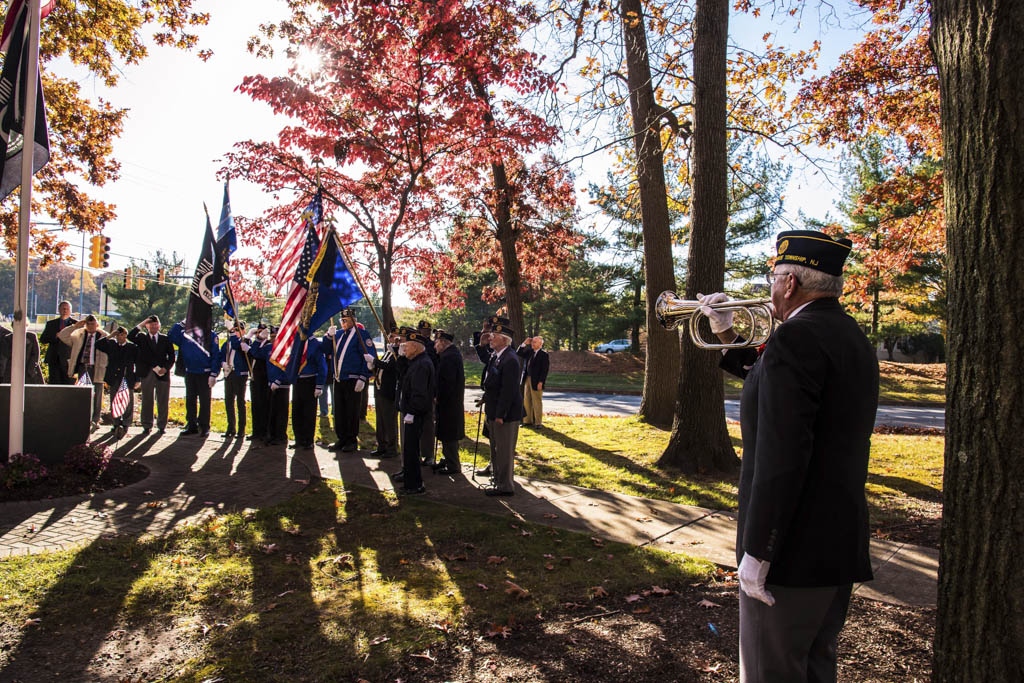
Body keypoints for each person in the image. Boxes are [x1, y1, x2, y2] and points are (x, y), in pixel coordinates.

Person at [702, 230, 879, 683]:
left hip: (790, 554)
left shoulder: (795, 340)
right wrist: (726, 331)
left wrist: (760, 551)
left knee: (769, 672)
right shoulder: (847, 334)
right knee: (817, 666)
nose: (769, 287)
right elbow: (772, 379)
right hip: (835, 544)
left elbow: (783, 457)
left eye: (772, 277)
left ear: (791, 284)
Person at [322, 309, 377, 452]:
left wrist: (363, 377)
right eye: (342, 320)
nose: (343, 323)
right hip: (339, 379)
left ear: (353, 320)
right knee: (339, 411)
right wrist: (328, 336)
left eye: (346, 320)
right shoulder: (338, 335)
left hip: (353, 379)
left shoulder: (361, 335)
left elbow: (368, 357)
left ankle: (352, 440)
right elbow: (325, 350)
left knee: (352, 411)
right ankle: (341, 438)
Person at [481, 320, 523, 496]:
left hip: (504, 414)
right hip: (493, 409)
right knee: (496, 448)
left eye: (494, 336)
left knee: (504, 451)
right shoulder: (497, 355)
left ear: (505, 340)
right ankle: (498, 481)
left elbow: (509, 391)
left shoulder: (510, 359)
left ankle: (505, 486)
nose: (491, 338)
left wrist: (500, 414)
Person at [392, 327, 435, 495]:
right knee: (410, 450)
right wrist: (402, 357)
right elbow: (402, 376)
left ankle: (415, 485)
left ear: (416, 347)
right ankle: (411, 482)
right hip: (412, 412)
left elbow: (419, 393)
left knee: (411, 451)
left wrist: (412, 412)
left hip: (415, 414)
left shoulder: (422, 364)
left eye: (407, 346)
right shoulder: (416, 361)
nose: (405, 349)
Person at [168, 321, 221, 437]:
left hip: (205, 373)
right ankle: (191, 425)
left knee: (205, 401)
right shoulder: (187, 334)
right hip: (190, 372)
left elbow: (216, 355)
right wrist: (182, 323)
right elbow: (171, 336)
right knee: (190, 400)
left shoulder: (211, 335)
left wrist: (214, 373)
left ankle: (204, 426)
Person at [58, 315, 108, 430]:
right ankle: (85, 419)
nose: (91, 326)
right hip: (82, 367)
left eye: (93, 323)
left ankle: (95, 420)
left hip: (97, 367)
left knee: (98, 394)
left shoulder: (103, 336)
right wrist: (75, 326)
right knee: (84, 393)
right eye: (88, 324)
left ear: (97, 324)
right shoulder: (79, 334)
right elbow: (62, 336)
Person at [128, 315, 175, 434]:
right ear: (147, 326)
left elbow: (172, 356)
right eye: (151, 324)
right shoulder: (142, 338)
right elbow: (130, 336)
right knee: (147, 399)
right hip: (147, 372)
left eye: (156, 324)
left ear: (159, 326)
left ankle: (162, 425)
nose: (154, 327)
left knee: (163, 400)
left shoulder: (165, 339)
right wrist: (142, 323)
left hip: (162, 373)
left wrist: (166, 368)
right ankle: (147, 425)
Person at [245, 328, 290, 445]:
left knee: (281, 412)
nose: (274, 338)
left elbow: (288, 367)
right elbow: (255, 353)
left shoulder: (286, 348)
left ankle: (281, 436)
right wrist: (258, 339)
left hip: (282, 385)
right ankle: (272, 435)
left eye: (276, 336)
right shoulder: (269, 348)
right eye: (272, 336)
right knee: (272, 412)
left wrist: (279, 380)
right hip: (271, 385)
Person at [96, 326, 139, 439]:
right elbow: (98, 345)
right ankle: (116, 423)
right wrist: (110, 336)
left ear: (126, 335)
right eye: (118, 335)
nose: (120, 337)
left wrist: (137, 379)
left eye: (123, 335)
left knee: (127, 402)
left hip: (127, 377)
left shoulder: (132, 347)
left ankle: (126, 424)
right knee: (114, 401)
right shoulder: (111, 345)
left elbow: (137, 364)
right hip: (114, 377)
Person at [432, 328, 465, 474]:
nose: (434, 346)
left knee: (449, 434)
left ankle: (453, 464)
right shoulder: (449, 354)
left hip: (449, 403)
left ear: (443, 343)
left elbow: (447, 383)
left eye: (436, 343)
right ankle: (447, 458)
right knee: (446, 433)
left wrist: (438, 397)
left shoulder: (449, 357)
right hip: (449, 403)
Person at [289, 336, 327, 450]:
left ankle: (308, 440)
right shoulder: (297, 342)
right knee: (296, 411)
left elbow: (322, 365)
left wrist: (319, 385)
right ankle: (298, 439)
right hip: (298, 380)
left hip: (310, 380)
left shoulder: (314, 343)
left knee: (309, 412)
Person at [371, 323, 401, 458]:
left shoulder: (398, 353)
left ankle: (391, 448)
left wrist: (375, 361)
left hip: (389, 392)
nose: (392, 339)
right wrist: (373, 366)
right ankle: (381, 445)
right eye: (390, 336)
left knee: (390, 422)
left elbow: (391, 367)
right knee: (381, 421)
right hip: (380, 389)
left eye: (395, 337)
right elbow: (382, 368)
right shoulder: (389, 351)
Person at [220, 321, 250, 439]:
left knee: (240, 402)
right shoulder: (227, 343)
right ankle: (231, 427)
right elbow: (221, 354)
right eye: (235, 329)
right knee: (228, 401)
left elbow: (237, 346)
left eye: (239, 330)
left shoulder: (245, 341)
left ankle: (241, 430)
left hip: (240, 374)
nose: (236, 332)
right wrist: (223, 363)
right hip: (229, 373)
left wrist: (233, 334)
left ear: (243, 331)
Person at [241, 325, 271, 442]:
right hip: (254, 379)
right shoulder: (255, 343)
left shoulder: (268, 344)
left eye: (261, 332)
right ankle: (256, 431)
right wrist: (248, 337)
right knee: (255, 406)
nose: (259, 334)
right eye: (258, 332)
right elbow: (247, 353)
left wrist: (250, 348)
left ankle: (264, 432)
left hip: (264, 379)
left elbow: (256, 353)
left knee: (264, 406)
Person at [39, 300, 76, 384]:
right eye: (63, 308)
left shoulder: (75, 324)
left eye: (67, 309)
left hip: (68, 359)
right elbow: (43, 339)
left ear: (70, 310)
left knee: (68, 383)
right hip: (54, 359)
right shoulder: (51, 324)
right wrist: (55, 336)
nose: (65, 310)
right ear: (59, 310)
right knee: (54, 383)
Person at [516, 336, 550, 427]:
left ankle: (538, 423)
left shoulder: (544, 355)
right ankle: (527, 421)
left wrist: (541, 382)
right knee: (527, 400)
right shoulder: (529, 352)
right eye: (532, 342)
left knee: (537, 401)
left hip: (537, 380)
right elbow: (518, 353)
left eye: (535, 342)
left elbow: (544, 370)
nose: (532, 343)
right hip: (527, 378)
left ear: (540, 344)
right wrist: (524, 343)